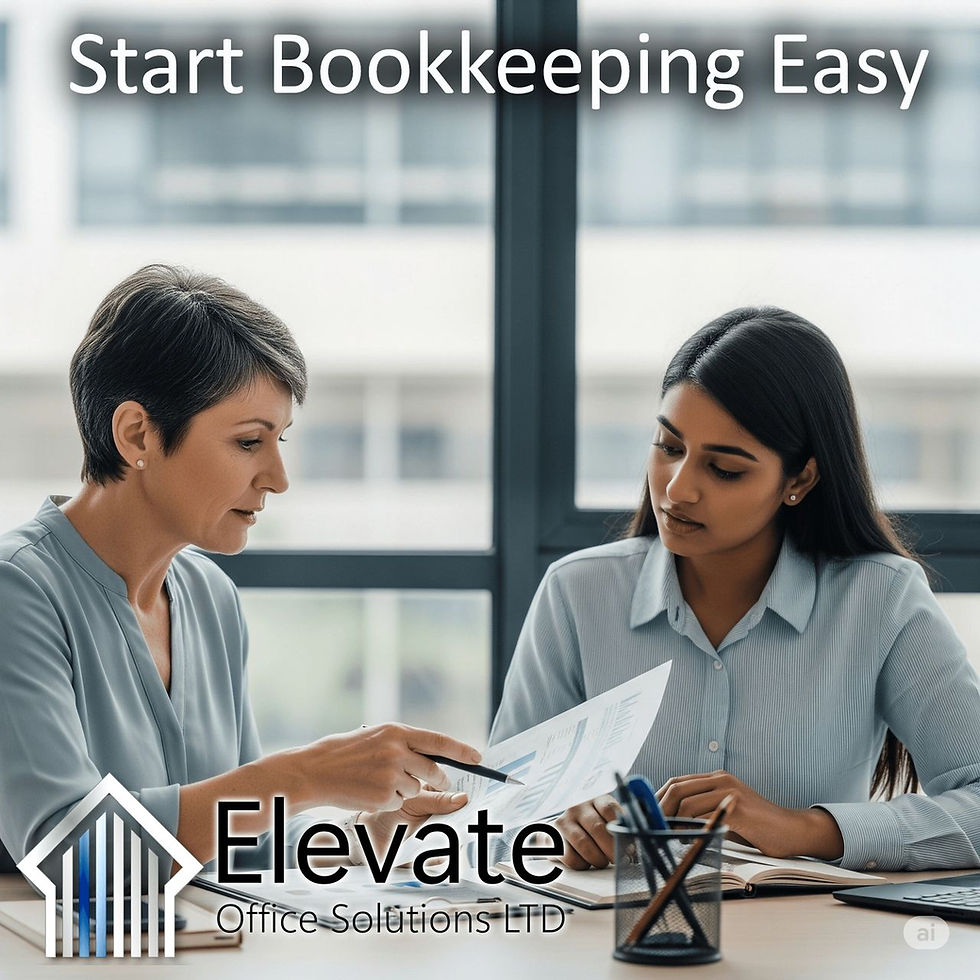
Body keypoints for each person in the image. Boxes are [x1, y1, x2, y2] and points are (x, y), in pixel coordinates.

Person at [0, 264, 479, 875]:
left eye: (282, 440)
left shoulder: (207, 595)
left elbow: (238, 839)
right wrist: (304, 774)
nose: (278, 478)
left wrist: (367, 831)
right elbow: (73, 855)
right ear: (137, 434)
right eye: (250, 442)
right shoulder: (18, 590)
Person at [490, 306, 980, 872]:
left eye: (724, 469)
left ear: (799, 479)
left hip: (814, 951)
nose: (678, 489)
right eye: (669, 447)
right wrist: (557, 829)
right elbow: (496, 812)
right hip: (622, 949)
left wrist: (802, 829)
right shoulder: (577, 592)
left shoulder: (881, 600)